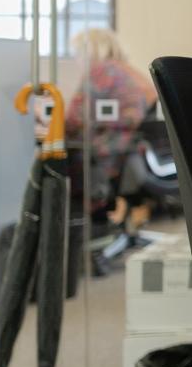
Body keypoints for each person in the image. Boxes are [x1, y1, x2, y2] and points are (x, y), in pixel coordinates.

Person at [64, 28, 158, 276]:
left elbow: (73, 119)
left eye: (77, 53)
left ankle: (78, 231)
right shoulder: (128, 71)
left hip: (110, 158)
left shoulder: (101, 72)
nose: (77, 60)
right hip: (135, 155)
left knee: (56, 163)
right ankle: (98, 227)